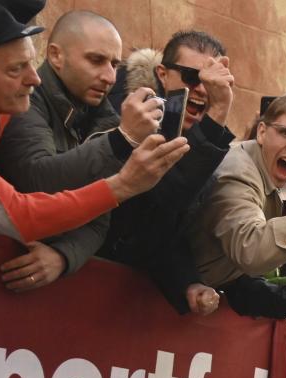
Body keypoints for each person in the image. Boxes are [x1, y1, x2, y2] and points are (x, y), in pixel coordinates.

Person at [0, 0, 188, 249]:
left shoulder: (4, 100)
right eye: (16, 69)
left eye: (115, 64)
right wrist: (123, 183)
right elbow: (19, 213)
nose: (34, 78)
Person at [0, 10, 162, 292]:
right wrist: (121, 140)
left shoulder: (107, 120)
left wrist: (63, 256)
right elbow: (36, 179)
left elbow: (100, 216)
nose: (109, 76)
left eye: (115, 64)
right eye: (96, 60)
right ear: (56, 56)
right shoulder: (27, 96)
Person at [100, 29, 241, 316]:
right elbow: (159, 202)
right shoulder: (121, 117)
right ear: (163, 75)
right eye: (191, 77)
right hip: (80, 274)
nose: (203, 90)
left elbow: (168, 233)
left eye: (210, 82)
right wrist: (219, 111)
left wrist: (189, 284)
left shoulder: (199, 140)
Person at [187, 92, 286, 319]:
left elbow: (241, 284)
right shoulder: (239, 170)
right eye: (285, 132)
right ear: (261, 132)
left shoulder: (277, 183)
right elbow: (250, 251)